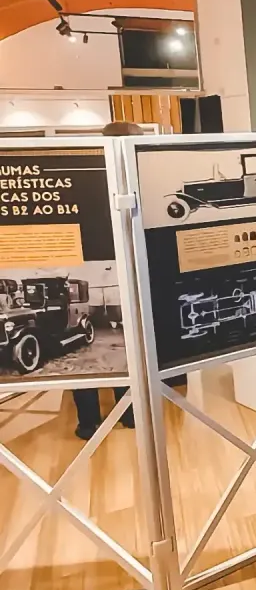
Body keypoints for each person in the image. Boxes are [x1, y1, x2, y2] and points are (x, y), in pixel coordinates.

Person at [72, 120, 145, 441]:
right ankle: (128, 414)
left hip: (92, 263)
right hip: (122, 265)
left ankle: (90, 422)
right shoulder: (140, 172)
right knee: (127, 345)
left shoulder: (84, 173)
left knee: (89, 348)